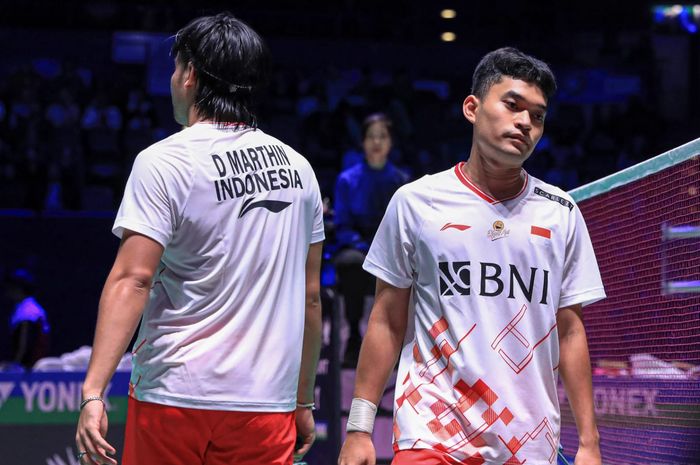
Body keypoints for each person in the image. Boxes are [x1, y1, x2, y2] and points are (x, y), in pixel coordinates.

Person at [75, 13, 324, 465]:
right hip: (265, 404)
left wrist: (94, 391)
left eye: (175, 68)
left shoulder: (164, 162)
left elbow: (133, 279)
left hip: (175, 395)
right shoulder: (299, 170)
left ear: (189, 75)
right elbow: (309, 298)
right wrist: (302, 400)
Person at [338, 47, 605, 465]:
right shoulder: (416, 202)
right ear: (472, 108)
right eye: (512, 105)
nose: (525, 123)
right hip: (431, 432)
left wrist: (589, 443)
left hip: (528, 443)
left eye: (537, 116)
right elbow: (387, 319)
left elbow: (570, 332)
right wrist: (358, 428)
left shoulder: (561, 213)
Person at [333, 113, 409, 367]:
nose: (376, 142)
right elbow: (342, 224)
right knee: (351, 264)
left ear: (391, 142)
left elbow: (404, 226)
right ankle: (354, 335)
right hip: (358, 248)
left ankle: (400, 340)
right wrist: (365, 247)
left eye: (382, 136)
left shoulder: (401, 180)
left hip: (391, 249)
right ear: (363, 142)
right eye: (371, 137)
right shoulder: (347, 180)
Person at [4, 268, 50, 369]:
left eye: (10, 288)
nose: (8, 292)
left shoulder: (28, 311)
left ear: (18, 289)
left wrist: (15, 366)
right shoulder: (24, 308)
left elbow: (24, 346)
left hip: (30, 371)